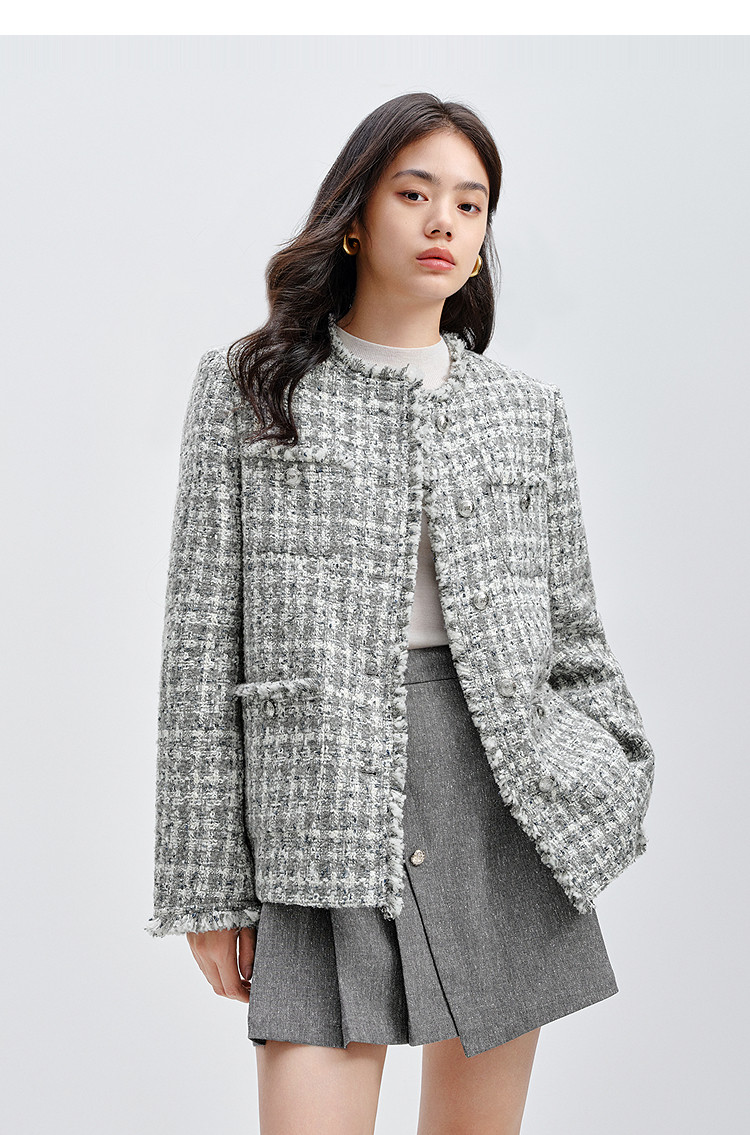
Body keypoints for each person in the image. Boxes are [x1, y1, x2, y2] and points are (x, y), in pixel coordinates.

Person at [145, 92, 655, 1135]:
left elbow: (574, 636)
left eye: (469, 206)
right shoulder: (251, 388)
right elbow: (200, 649)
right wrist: (206, 887)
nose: (443, 224)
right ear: (354, 216)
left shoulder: (525, 412)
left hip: (501, 805)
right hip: (319, 812)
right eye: (415, 194)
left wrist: (615, 765)